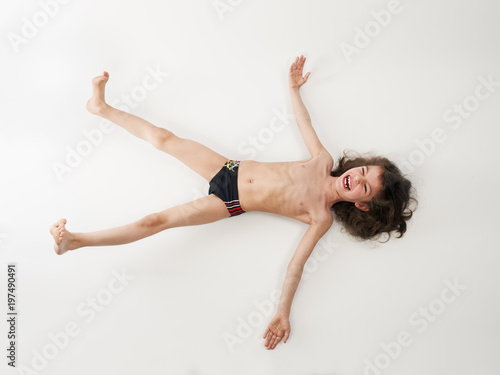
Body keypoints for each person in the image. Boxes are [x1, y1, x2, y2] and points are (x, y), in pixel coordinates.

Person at [49, 55, 417, 350]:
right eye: (365, 170)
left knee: (155, 220)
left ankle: (75, 241)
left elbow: (295, 267)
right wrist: (294, 89)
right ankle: (100, 108)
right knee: (162, 137)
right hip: (229, 167)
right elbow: (303, 123)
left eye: (365, 188)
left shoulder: (319, 216)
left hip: (229, 200)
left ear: (362, 206)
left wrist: (282, 312)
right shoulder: (322, 160)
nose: (359, 178)